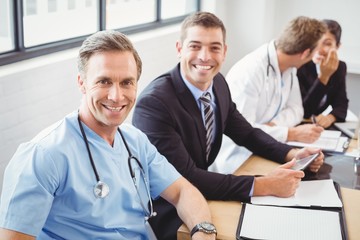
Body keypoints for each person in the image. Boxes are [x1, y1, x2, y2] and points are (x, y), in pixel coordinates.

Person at [0, 30, 216, 240]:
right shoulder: (43, 155)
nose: (116, 96)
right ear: (81, 83)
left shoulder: (135, 141)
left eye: (126, 82)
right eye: (104, 81)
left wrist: (204, 231)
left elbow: (183, 192)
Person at [132, 12, 324, 240]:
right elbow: (187, 177)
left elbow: (247, 133)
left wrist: (291, 152)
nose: (205, 57)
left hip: (203, 196)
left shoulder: (218, 83)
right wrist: (265, 185)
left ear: (224, 51)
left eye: (214, 48)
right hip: (167, 213)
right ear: (179, 48)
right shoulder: (154, 104)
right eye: (195, 46)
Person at [212, 15, 327, 173]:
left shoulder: (290, 67)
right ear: (305, 53)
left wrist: (273, 125)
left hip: (268, 149)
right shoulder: (250, 71)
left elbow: (296, 111)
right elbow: (245, 131)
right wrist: (290, 133)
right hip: (238, 160)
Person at [297, 19, 349, 128]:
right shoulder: (300, 65)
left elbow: (341, 105)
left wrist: (330, 117)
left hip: (317, 127)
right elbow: (304, 111)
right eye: (316, 42)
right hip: (297, 125)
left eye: (327, 43)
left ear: (337, 46)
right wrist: (324, 77)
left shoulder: (339, 67)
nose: (319, 49)